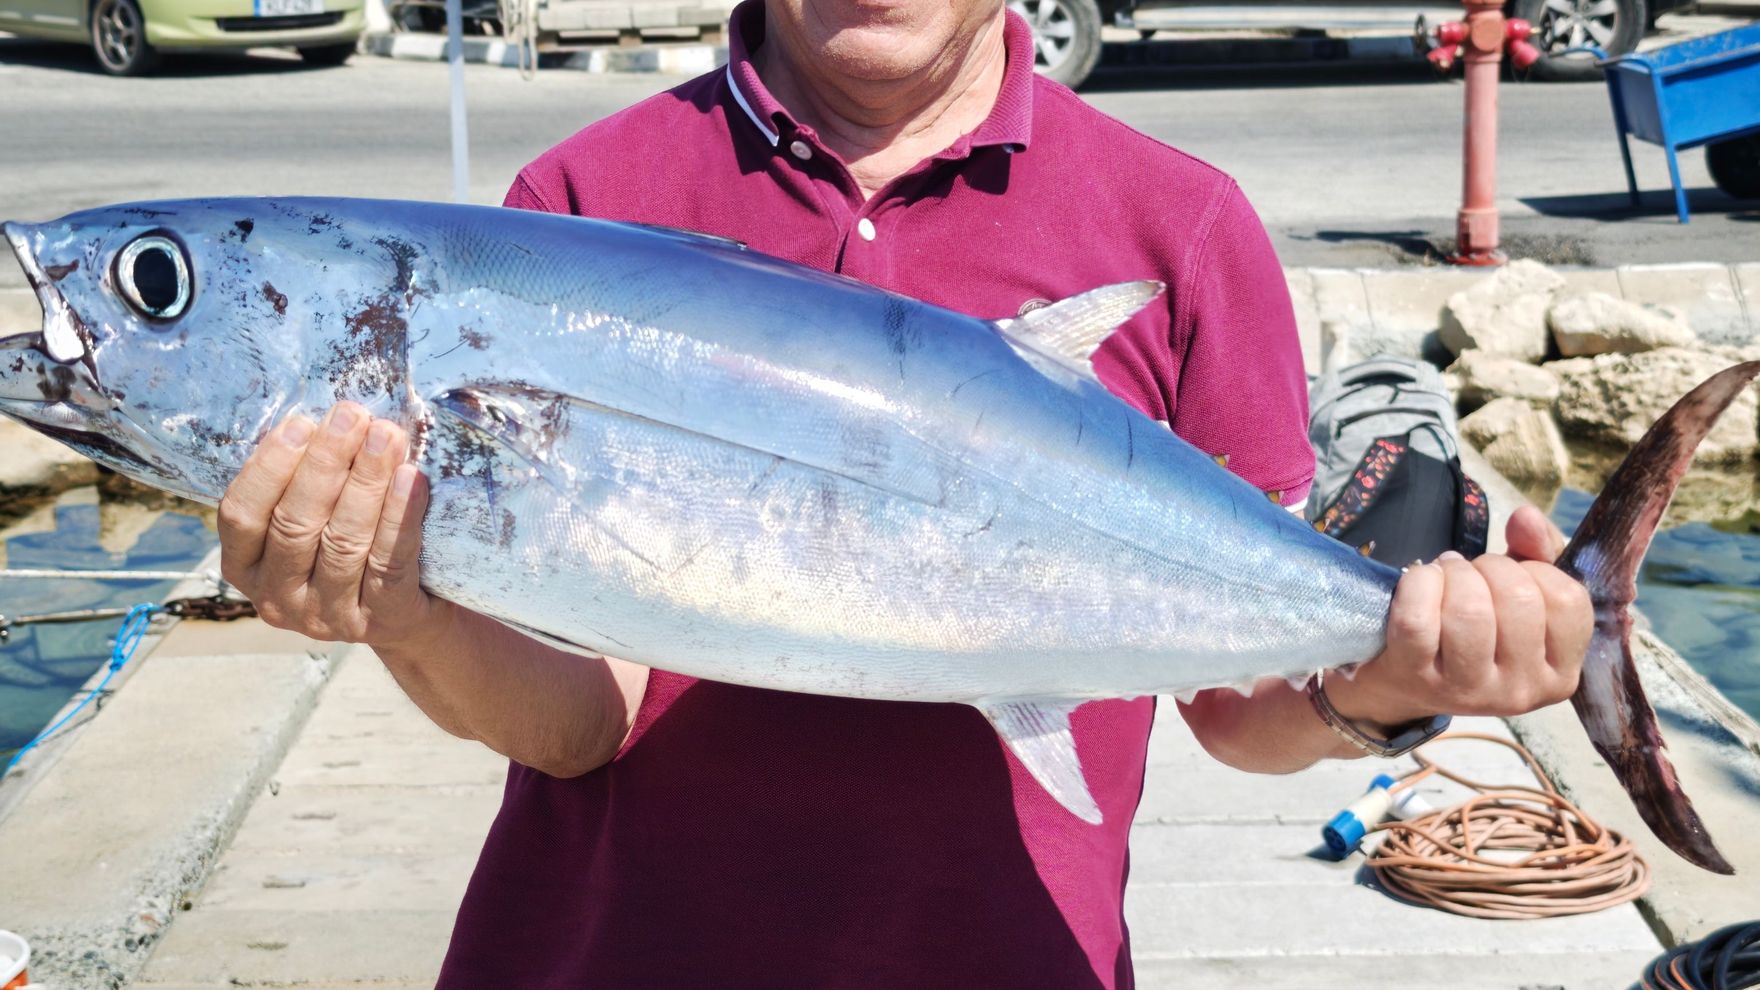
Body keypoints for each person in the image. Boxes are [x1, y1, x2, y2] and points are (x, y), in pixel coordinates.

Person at [213, 0, 1593, 984]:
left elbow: (1239, 708)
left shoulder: (1179, 223)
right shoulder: (579, 202)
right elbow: (585, 723)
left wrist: (1395, 676)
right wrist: (399, 611)